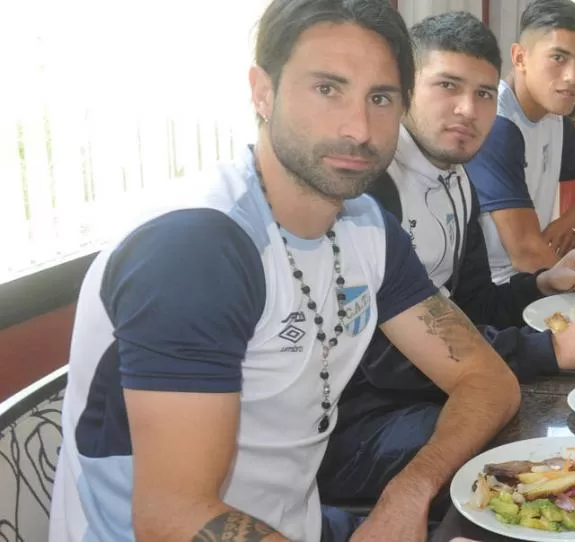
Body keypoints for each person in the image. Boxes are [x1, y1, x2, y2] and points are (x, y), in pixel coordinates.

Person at [47, 2, 521, 541]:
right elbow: (171, 518)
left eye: (381, 97)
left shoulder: (367, 227)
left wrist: (407, 494)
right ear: (262, 91)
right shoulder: (197, 250)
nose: (358, 128)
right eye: (327, 88)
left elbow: (488, 382)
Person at [317, 11, 575, 514]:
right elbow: (388, 358)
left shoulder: (456, 178)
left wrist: (540, 286)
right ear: (403, 90)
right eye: (447, 86)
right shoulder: (371, 192)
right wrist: (551, 348)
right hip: (351, 423)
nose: (468, 109)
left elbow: (473, 304)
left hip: (432, 386)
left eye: (485, 94)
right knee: (531, 457)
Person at [464, 0, 575, 285]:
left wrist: (570, 220)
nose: (573, 78)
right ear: (520, 57)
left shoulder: (554, 117)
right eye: (558, 58)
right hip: (498, 290)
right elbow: (527, 253)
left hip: (535, 276)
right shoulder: (498, 126)